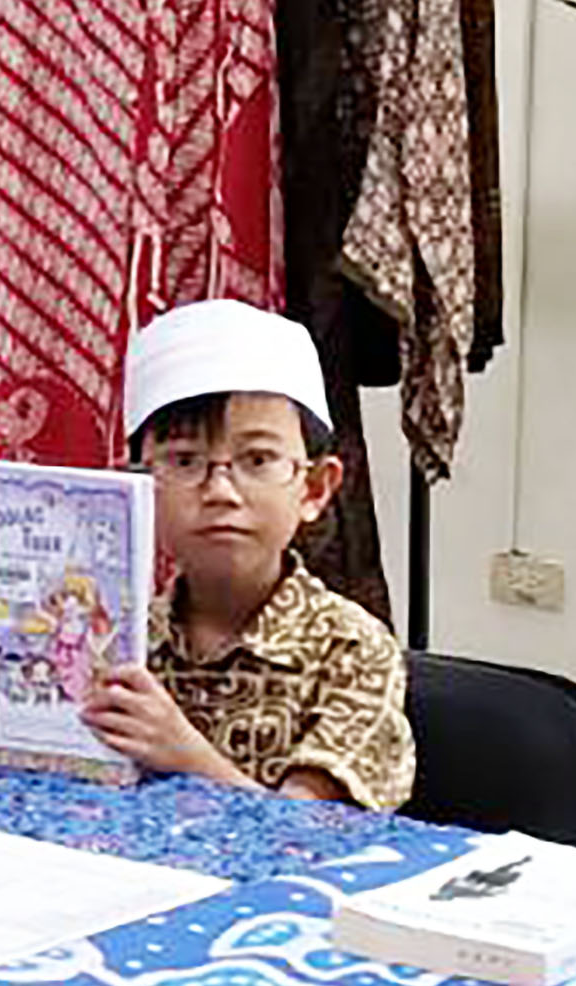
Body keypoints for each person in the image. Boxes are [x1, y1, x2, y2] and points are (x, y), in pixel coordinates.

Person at [80, 303, 416, 808]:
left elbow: (312, 834)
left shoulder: (353, 651)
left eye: (257, 460)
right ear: (139, 486)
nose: (220, 491)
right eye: (184, 460)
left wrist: (185, 756)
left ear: (315, 488)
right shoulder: (117, 644)